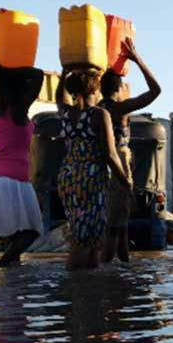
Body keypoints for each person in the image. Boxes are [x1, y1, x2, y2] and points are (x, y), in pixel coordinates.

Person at [96, 39, 163, 264]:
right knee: (115, 229)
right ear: (118, 89)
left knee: (120, 225)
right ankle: (103, 278)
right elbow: (156, 90)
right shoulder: (119, 108)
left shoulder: (97, 110)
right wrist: (137, 59)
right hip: (118, 165)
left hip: (102, 166)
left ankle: (124, 266)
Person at [57, 68, 131, 270]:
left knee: (81, 230)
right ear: (94, 89)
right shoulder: (99, 114)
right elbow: (110, 154)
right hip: (91, 179)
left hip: (69, 178)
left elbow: (58, 97)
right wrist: (124, 181)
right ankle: (73, 283)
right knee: (89, 235)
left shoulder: (66, 113)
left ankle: (89, 283)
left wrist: (64, 73)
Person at [0, 66, 46, 266]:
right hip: (15, 180)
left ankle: (11, 286)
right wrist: (5, 70)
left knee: (15, 240)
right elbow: (38, 75)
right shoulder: (18, 111)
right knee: (31, 232)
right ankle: (0, 267)